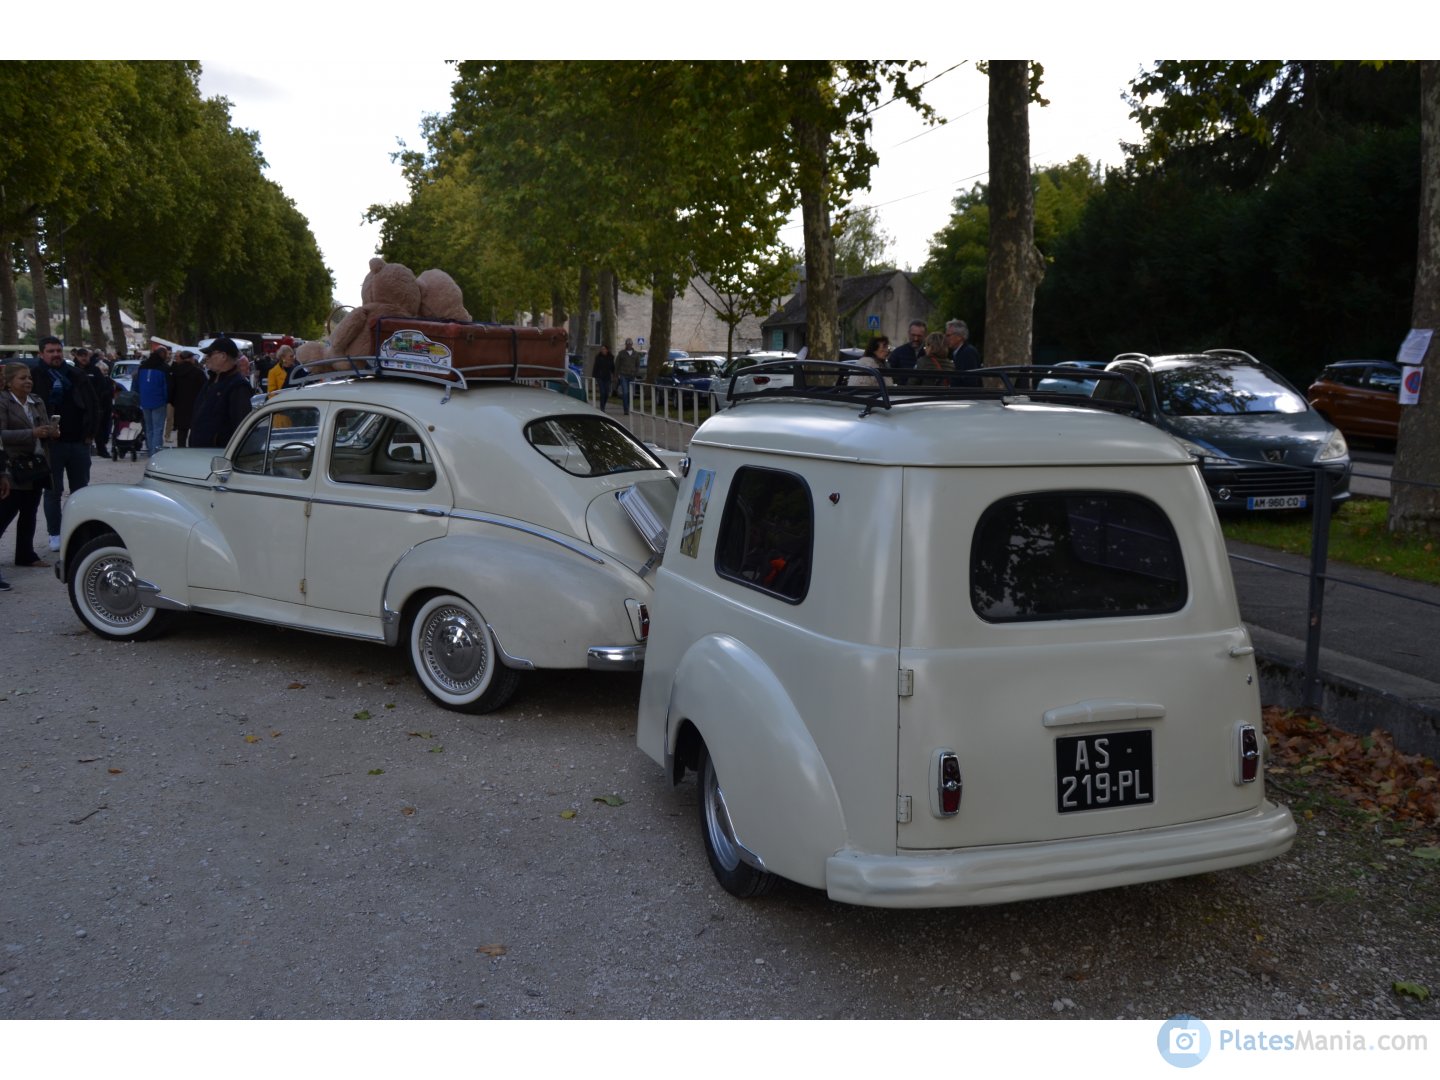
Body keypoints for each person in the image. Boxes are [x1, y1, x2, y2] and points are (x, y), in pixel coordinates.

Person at [31, 335, 98, 553]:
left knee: (80, 491)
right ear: (41, 354)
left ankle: (79, 533)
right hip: (51, 445)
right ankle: (55, 534)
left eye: (58, 351)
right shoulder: (34, 376)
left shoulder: (76, 374)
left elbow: (93, 404)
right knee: (53, 491)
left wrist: (91, 433)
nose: (55, 355)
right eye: (50, 351)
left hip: (79, 442)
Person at [0, 360, 59, 570]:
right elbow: (1, 434)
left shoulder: (36, 400)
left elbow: (43, 426)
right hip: (12, 466)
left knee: (29, 512)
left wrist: (51, 431)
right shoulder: (3, 402)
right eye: (22, 378)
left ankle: (25, 554)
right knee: (5, 513)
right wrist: (31, 433)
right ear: (9, 382)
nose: (28, 381)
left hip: (35, 466)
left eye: (30, 378)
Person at [190, 336, 254, 449]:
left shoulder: (238, 386)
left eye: (210, 354)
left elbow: (241, 426)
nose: (206, 358)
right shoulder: (211, 381)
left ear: (223, 356)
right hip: (201, 452)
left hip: (217, 454)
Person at [73, 347, 114, 459]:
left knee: (98, 428)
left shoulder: (94, 370)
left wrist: (98, 399)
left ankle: (102, 449)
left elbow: (102, 385)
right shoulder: (73, 370)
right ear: (77, 357)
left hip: (94, 404)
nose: (84, 358)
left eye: (85, 356)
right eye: (81, 356)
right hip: (78, 405)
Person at [133, 344, 171, 456]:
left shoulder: (142, 368)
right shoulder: (164, 368)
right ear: (162, 355)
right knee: (158, 428)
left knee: (149, 428)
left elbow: (136, 385)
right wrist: (166, 399)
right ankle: (156, 452)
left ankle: (151, 450)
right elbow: (166, 386)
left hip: (144, 401)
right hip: (159, 401)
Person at [168, 350, 206, 448]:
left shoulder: (175, 373)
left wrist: (174, 402)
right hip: (195, 406)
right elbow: (205, 390)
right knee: (194, 431)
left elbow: (171, 390)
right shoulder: (198, 372)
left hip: (180, 406)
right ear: (189, 359)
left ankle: (181, 451)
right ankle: (192, 451)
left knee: (181, 432)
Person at [887, 320, 928, 385]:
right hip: (903, 390)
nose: (916, 339)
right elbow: (889, 373)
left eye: (919, 336)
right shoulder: (898, 353)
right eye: (913, 335)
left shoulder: (930, 353)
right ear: (908, 333)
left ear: (925, 335)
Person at [945, 319, 982, 388]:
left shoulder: (968, 353)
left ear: (959, 336)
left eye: (948, 335)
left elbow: (971, 381)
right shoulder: (958, 352)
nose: (946, 338)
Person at [615, 338, 640, 416]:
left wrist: (636, 373)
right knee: (625, 392)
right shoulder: (621, 353)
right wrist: (616, 375)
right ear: (626, 344)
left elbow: (637, 365)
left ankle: (629, 407)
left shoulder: (636, 354)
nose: (629, 345)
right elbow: (617, 364)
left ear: (632, 344)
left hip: (632, 376)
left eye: (630, 344)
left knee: (630, 393)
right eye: (627, 344)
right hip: (623, 375)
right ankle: (626, 409)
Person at [591, 344, 616, 412]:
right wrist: (593, 377)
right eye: (602, 349)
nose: (603, 350)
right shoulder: (598, 357)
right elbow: (595, 367)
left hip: (607, 377)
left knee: (607, 393)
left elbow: (612, 367)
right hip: (600, 377)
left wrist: (614, 375)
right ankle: (602, 408)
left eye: (604, 349)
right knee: (602, 392)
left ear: (607, 350)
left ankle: (603, 405)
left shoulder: (610, 357)